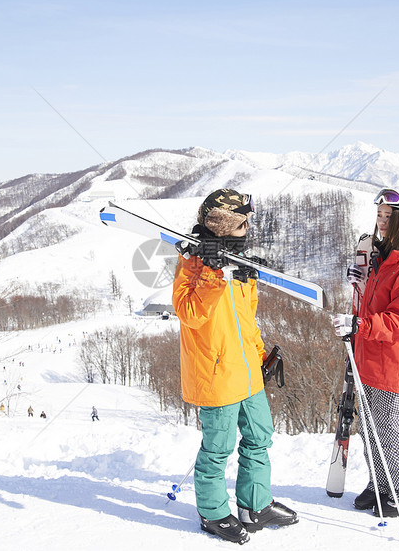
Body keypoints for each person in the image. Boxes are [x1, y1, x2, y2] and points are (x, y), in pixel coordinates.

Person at [173, 189, 297, 544]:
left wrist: (260, 356)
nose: (248, 229)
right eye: (243, 224)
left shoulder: (243, 268)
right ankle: (212, 514)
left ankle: (255, 505)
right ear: (229, 226)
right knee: (218, 448)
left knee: (259, 436)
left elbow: (247, 321)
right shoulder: (191, 265)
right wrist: (212, 272)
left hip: (247, 372)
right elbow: (191, 314)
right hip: (216, 374)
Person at [332, 186, 399, 519]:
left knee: (391, 428)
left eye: (389, 216)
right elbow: (368, 300)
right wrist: (360, 280)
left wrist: (360, 325)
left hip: (393, 361)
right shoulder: (381, 256)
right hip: (369, 357)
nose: (382, 221)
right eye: (379, 215)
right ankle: (383, 484)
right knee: (371, 429)